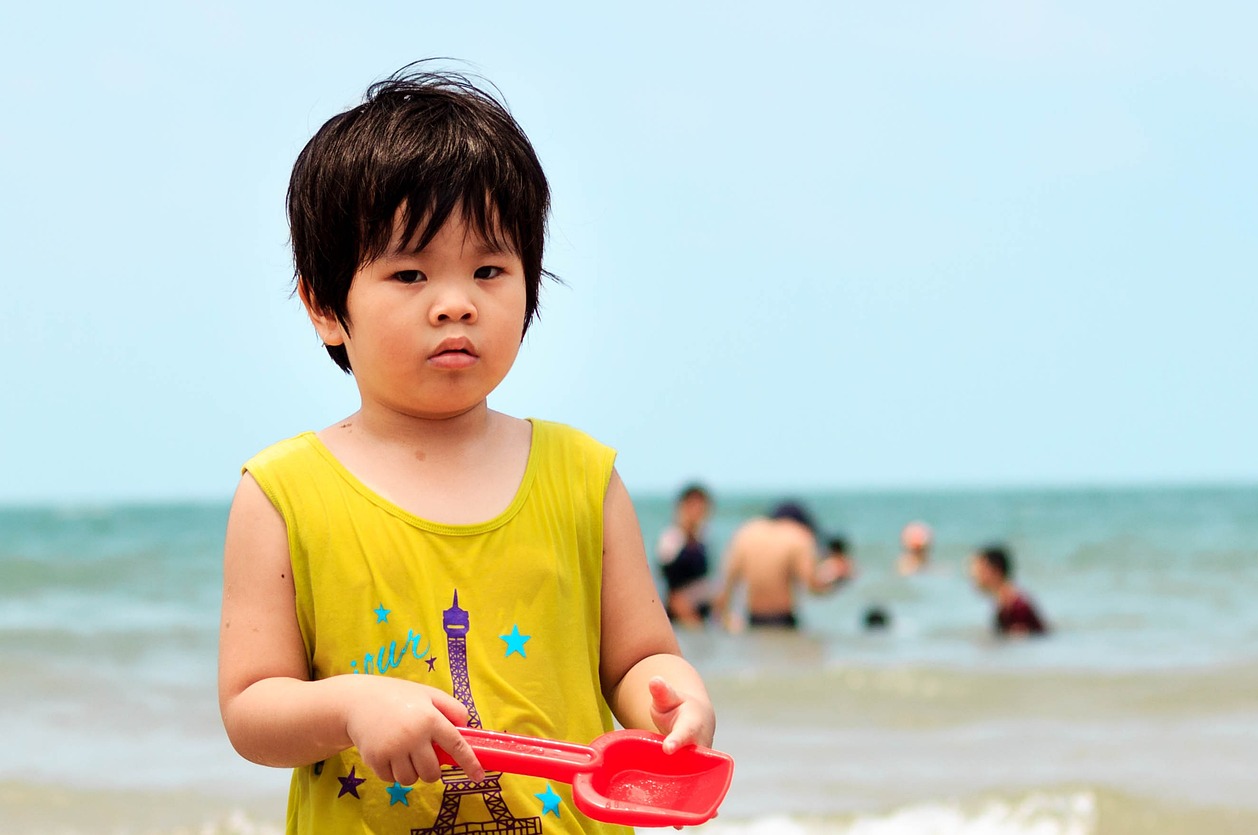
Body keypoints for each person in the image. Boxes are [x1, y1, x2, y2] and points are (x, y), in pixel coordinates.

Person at [217, 68, 715, 835]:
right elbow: (252, 707)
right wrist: (353, 703)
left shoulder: (581, 475)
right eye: (410, 273)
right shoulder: (284, 491)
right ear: (325, 306)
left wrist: (674, 692)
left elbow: (637, 658)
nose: (456, 301)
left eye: (489, 269)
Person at [713, 501, 840, 630]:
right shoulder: (797, 536)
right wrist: (836, 576)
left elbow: (725, 584)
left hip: (753, 621)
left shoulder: (746, 533)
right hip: (783, 622)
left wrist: (726, 619)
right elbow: (813, 586)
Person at [656, 483, 715, 628]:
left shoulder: (703, 537)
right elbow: (666, 576)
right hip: (678, 609)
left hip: (699, 604)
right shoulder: (671, 537)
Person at [969, 544, 1048, 636]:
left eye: (977, 571)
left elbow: (1021, 645)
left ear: (994, 571)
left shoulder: (1016, 606)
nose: (973, 577)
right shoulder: (1006, 603)